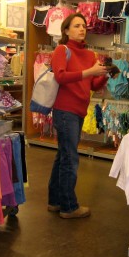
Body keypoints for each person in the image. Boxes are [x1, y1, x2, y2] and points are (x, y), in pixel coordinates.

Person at [48, 13, 109, 219]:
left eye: (83, 26)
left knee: (63, 156)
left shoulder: (90, 55)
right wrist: (89, 72)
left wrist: (104, 75)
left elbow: (92, 84)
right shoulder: (61, 50)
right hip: (65, 110)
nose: (81, 29)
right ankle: (68, 206)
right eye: (76, 26)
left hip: (79, 110)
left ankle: (55, 201)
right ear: (66, 30)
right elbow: (61, 76)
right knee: (70, 158)